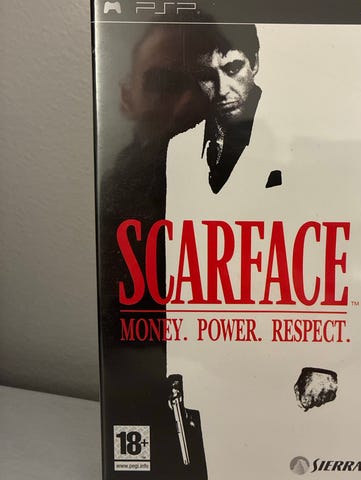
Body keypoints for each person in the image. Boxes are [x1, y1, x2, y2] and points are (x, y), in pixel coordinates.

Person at [98, 22, 208, 480]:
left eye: (204, 82)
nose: (188, 102)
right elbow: (124, 342)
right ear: (127, 97)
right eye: (164, 82)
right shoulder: (121, 194)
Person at [184, 24, 282, 193]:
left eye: (233, 69)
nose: (222, 90)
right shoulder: (179, 147)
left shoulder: (285, 139)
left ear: (255, 63)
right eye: (206, 76)